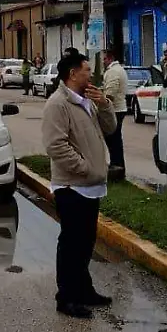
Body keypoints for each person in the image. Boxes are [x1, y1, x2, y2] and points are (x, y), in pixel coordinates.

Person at [41, 52, 117, 318]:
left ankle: (84, 290)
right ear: (72, 74)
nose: (91, 75)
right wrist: (84, 168)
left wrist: (104, 104)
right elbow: (56, 145)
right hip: (72, 186)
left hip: (91, 186)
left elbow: (109, 129)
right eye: (86, 70)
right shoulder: (58, 104)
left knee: (86, 242)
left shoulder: (88, 101)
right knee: (72, 243)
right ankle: (67, 297)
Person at [101, 48, 130, 178]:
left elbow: (110, 94)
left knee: (113, 139)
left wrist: (101, 104)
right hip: (119, 108)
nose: (103, 61)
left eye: (105, 59)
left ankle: (117, 167)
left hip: (115, 109)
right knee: (115, 139)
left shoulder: (113, 72)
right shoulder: (118, 70)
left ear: (110, 58)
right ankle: (117, 166)